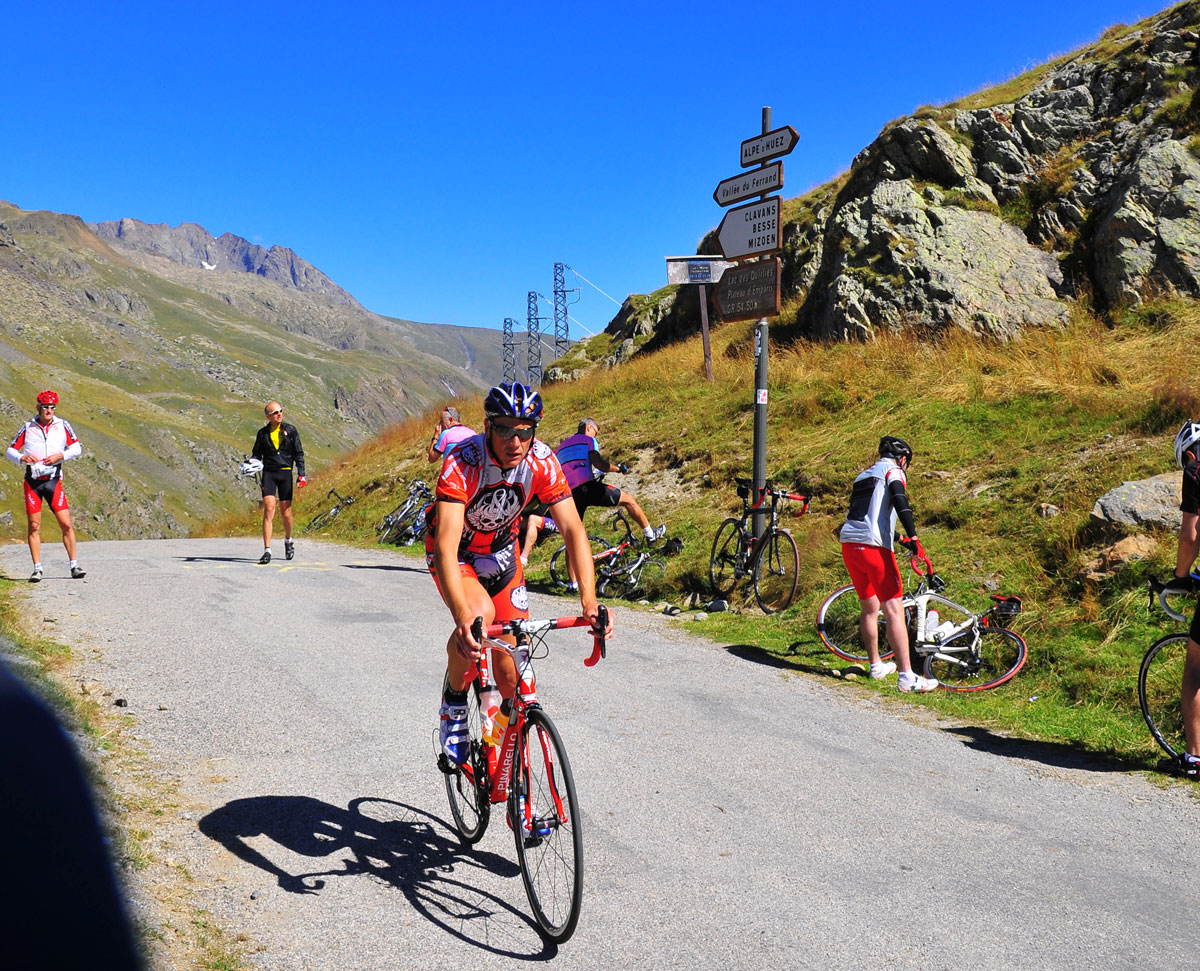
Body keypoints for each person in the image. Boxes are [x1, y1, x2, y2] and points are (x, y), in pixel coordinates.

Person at [426, 383, 609, 766]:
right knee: (477, 619)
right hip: (456, 554)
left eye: (524, 431)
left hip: (503, 556)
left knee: (512, 676)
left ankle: (504, 762)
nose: (515, 440)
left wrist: (589, 602)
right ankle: (455, 702)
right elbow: (445, 545)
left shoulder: (541, 461)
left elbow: (574, 530)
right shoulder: (463, 460)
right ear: (488, 427)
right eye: (505, 429)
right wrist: (462, 617)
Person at [838, 436, 938, 693]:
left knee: (869, 606)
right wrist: (914, 536)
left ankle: (876, 666)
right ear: (903, 458)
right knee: (893, 607)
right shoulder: (894, 471)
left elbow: (869, 516)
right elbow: (899, 499)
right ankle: (907, 676)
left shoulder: (863, 476)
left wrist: (902, 539)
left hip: (850, 544)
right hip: (874, 549)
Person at [6, 390, 85, 582]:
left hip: (52, 481)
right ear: (38, 408)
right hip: (33, 482)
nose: (49, 410)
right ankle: (37, 568)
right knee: (34, 526)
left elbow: (77, 447)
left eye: (52, 407)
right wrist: (22, 457)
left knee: (65, 523)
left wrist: (61, 456)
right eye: (45, 407)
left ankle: (74, 565)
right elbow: (10, 449)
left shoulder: (62, 425)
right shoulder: (28, 427)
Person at [556, 418, 665, 543]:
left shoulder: (559, 449)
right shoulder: (589, 440)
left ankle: (575, 562)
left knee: (573, 537)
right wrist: (618, 469)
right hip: (587, 487)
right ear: (588, 428)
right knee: (629, 500)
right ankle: (651, 535)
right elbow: (600, 464)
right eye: (595, 432)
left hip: (569, 495)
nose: (595, 436)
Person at [1167, 420, 1200, 776]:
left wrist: (1180, 577)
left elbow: (1190, 535)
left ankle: (1195, 758)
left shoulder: (1196, 469)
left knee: (1195, 666)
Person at [251, 401, 307, 564]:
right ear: (268, 416)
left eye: (281, 411)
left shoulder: (290, 430)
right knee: (269, 509)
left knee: (286, 511)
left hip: (285, 473)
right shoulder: (262, 434)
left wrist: (301, 474)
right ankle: (267, 550)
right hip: (269, 473)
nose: (279, 414)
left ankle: (288, 540)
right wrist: (251, 464)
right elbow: (256, 454)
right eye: (275, 412)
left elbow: (299, 453)